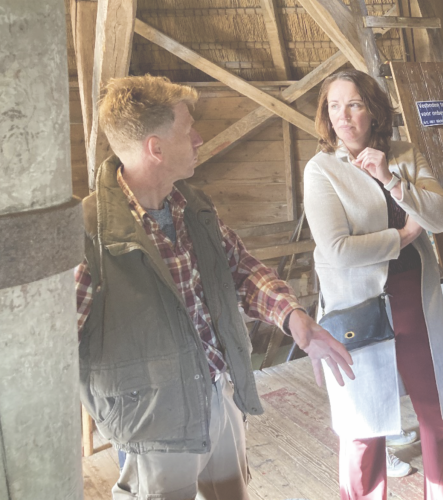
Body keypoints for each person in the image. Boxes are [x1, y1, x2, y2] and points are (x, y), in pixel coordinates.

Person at [75, 74, 354, 500]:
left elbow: (240, 268)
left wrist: (293, 316)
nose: (200, 139)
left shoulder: (192, 205)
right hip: (155, 424)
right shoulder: (88, 234)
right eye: (189, 131)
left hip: (221, 395)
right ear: (156, 147)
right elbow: (51, 349)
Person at [303, 69, 443, 500]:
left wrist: (393, 181)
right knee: (363, 430)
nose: (343, 116)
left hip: (415, 300)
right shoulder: (321, 170)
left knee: (439, 417)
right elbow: (338, 249)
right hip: (358, 309)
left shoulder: (404, 155)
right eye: (334, 106)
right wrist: (404, 236)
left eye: (354, 104)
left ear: (373, 111)